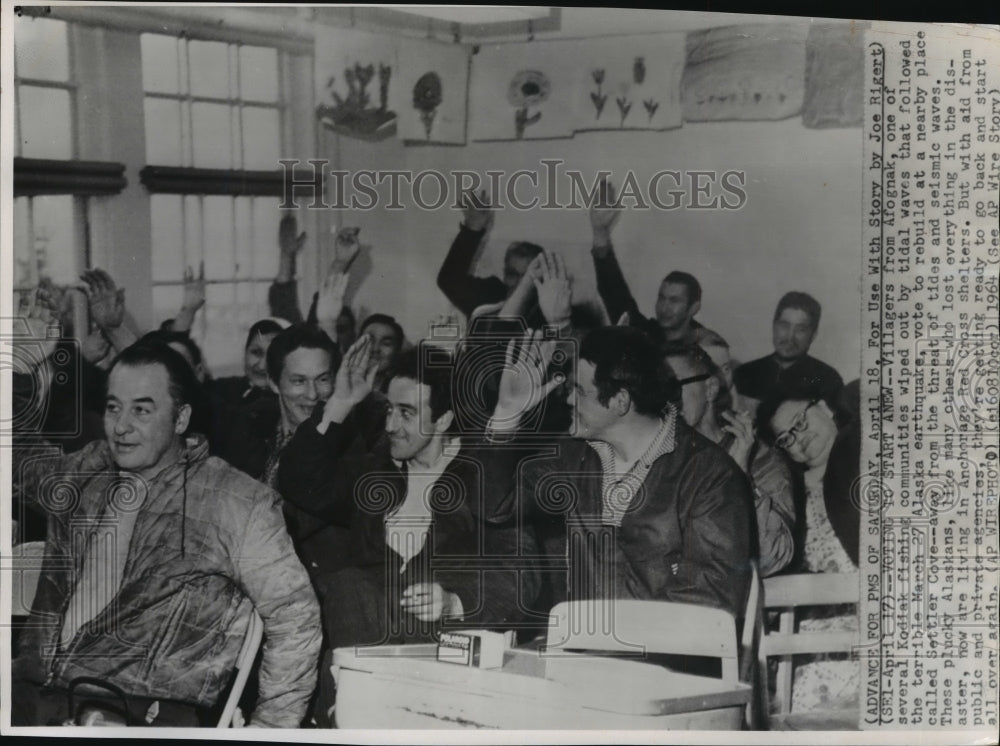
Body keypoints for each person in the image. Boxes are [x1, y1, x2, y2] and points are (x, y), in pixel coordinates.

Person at [10, 334, 321, 727]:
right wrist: (21, 372)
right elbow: (14, 458)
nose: (121, 426)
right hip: (35, 695)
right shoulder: (87, 472)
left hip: (142, 711)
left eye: (142, 410)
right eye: (113, 407)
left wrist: (270, 729)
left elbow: (295, 619)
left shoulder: (234, 500)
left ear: (181, 418)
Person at [483, 326, 753, 620]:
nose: (569, 400)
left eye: (580, 391)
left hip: (668, 661)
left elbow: (711, 600)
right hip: (586, 653)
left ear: (620, 401)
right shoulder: (572, 458)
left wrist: (615, 641)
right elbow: (497, 506)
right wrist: (505, 415)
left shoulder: (710, 475)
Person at [757, 381, 860, 714]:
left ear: (825, 407)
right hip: (815, 621)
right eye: (787, 438)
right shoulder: (791, 490)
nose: (799, 438)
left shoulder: (869, 455)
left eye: (800, 423)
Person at [663, 344, 796, 577]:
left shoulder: (761, 459)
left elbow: (771, 557)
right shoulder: (657, 461)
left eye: (674, 386)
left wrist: (739, 477)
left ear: (711, 388)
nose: (666, 400)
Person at [589, 179, 718, 352]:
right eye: (661, 298)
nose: (664, 307)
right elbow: (614, 293)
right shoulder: (646, 334)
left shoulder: (706, 346)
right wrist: (600, 233)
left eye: (674, 300)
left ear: (694, 308)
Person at [221, 323, 339, 489]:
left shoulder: (348, 444)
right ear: (274, 383)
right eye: (299, 381)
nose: (312, 394)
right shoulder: (249, 428)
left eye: (322, 379)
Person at [436, 190, 544, 320]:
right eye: (512, 274)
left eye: (528, 277)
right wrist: (472, 228)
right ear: (504, 274)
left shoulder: (549, 309)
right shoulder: (492, 294)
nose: (519, 284)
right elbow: (449, 280)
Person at [734, 291, 844, 410]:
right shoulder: (745, 374)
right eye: (784, 326)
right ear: (774, 326)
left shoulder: (828, 379)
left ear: (813, 335)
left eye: (801, 329)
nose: (790, 337)